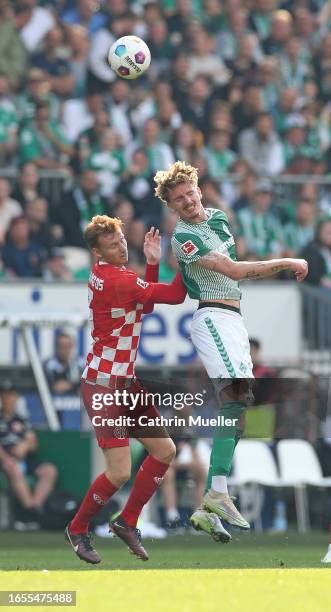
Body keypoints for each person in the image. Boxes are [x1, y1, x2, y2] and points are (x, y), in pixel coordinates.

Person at [154, 160, 308, 537]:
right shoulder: (183, 236)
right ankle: (216, 494)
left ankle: (213, 497)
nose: (187, 201)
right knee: (235, 399)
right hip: (212, 318)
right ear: (173, 207)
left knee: (238, 410)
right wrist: (288, 261)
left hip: (233, 320)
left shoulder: (220, 219)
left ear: (199, 189)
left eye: (189, 192)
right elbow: (234, 271)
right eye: (179, 199)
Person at [66, 215, 226, 564]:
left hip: (124, 381)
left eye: (122, 239)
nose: (122, 246)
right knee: (120, 471)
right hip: (104, 385)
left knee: (165, 450)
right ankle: (77, 528)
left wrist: (152, 264)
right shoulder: (117, 279)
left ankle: (127, 521)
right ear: (97, 252)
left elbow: (147, 303)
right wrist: (188, 257)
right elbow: (173, 295)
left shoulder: (114, 276)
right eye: (113, 245)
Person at [0, 381, 58, 529]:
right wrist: (7, 458)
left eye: (11, 395)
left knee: (49, 470)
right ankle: (28, 512)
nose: (8, 399)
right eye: (5, 395)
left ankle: (33, 509)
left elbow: (33, 443)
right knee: (14, 468)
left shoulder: (22, 419)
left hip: (26, 458)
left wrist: (24, 445)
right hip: (6, 460)